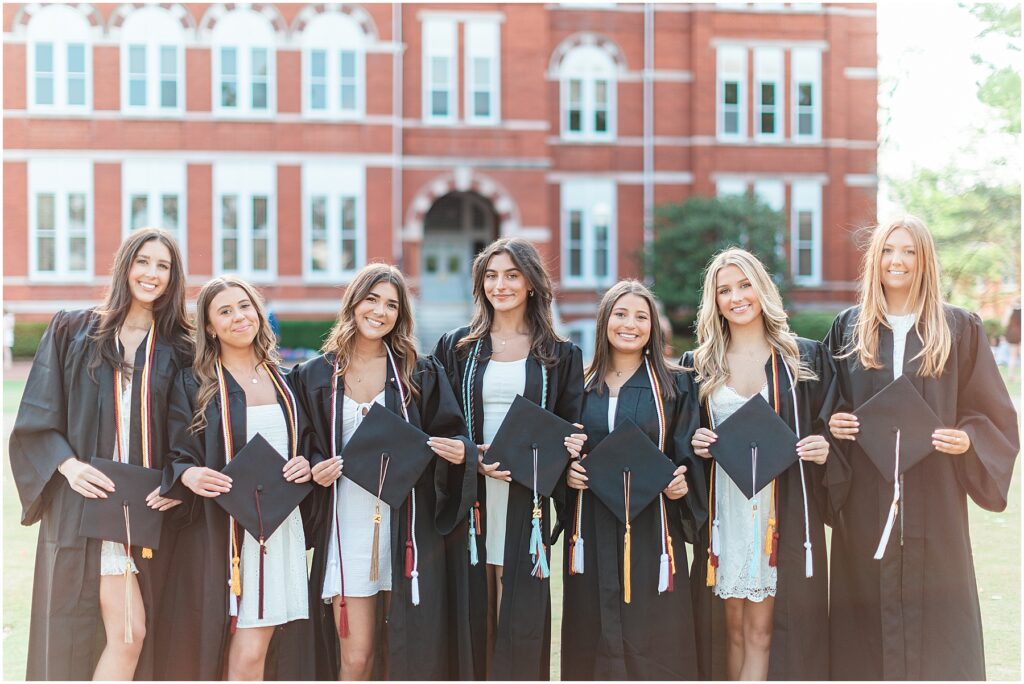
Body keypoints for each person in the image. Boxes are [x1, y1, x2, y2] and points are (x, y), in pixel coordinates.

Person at [825, 216, 1019, 680]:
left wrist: (968, 437)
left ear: (925, 260)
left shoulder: (957, 328)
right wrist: (834, 423)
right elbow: (828, 409)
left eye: (910, 251)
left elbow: (992, 412)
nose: (898, 260)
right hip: (866, 501)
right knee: (864, 619)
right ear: (876, 259)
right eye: (889, 250)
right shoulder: (849, 328)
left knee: (940, 617)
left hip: (935, 499)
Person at [9, 228, 193, 680]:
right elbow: (36, 415)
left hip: (143, 510)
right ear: (125, 265)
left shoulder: (180, 348)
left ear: (173, 279)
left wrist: (177, 484)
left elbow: (189, 432)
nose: (151, 274)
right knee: (116, 633)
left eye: (163, 266)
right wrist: (68, 466)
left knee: (130, 635)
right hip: (83, 504)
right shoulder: (73, 330)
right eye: (143, 261)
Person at [287, 263, 477, 680]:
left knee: (404, 654)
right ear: (353, 302)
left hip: (406, 526)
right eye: (371, 299)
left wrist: (460, 452)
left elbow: (452, 434)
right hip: (347, 524)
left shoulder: (419, 372)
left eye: (392, 304)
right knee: (356, 659)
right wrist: (316, 464)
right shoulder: (315, 375)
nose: (380, 311)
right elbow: (302, 442)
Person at [432, 237, 585, 680]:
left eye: (512, 275)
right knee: (476, 607)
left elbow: (572, 422)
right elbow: (439, 419)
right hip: (472, 493)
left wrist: (573, 444)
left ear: (532, 283)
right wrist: (467, 455)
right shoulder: (458, 347)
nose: (501, 285)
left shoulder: (559, 353)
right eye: (491, 276)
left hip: (527, 497)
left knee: (519, 609)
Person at [684, 248, 837, 680]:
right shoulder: (699, 365)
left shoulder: (800, 359)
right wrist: (694, 443)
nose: (737, 297)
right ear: (713, 301)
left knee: (763, 629)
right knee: (730, 629)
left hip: (778, 510)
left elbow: (827, 426)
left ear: (762, 288)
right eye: (724, 290)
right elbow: (679, 442)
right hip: (724, 510)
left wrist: (823, 448)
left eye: (745, 284)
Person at [159, 276, 314, 680]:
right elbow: (177, 452)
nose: (238, 317)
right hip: (229, 531)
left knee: (262, 644)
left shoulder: (285, 379)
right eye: (224, 311)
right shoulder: (196, 383)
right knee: (245, 646)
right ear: (209, 326)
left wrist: (306, 464)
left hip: (279, 527)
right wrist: (189, 474)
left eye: (244, 306)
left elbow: (310, 444)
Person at [561, 279, 703, 680]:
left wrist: (683, 481)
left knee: (653, 630)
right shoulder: (579, 387)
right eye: (621, 314)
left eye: (642, 316)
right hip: (591, 525)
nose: (631, 324)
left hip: (653, 529)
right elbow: (562, 447)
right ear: (605, 319)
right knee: (591, 628)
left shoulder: (676, 385)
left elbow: (687, 453)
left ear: (653, 328)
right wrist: (566, 474)